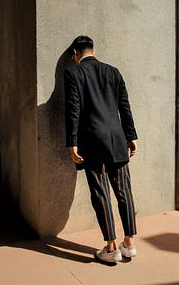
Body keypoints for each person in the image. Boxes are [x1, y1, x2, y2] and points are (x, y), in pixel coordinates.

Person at [64, 35, 138, 263]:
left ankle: (111, 247)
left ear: (75, 53)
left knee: (101, 193)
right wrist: (131, 135)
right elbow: (124, 105)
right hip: (117, 138)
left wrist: (72, 142)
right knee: (124, 190)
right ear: (93, 50)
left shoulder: (73, 73)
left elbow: (73, 109)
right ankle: (129, 244)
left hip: (92, 140)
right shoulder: (113, 71)